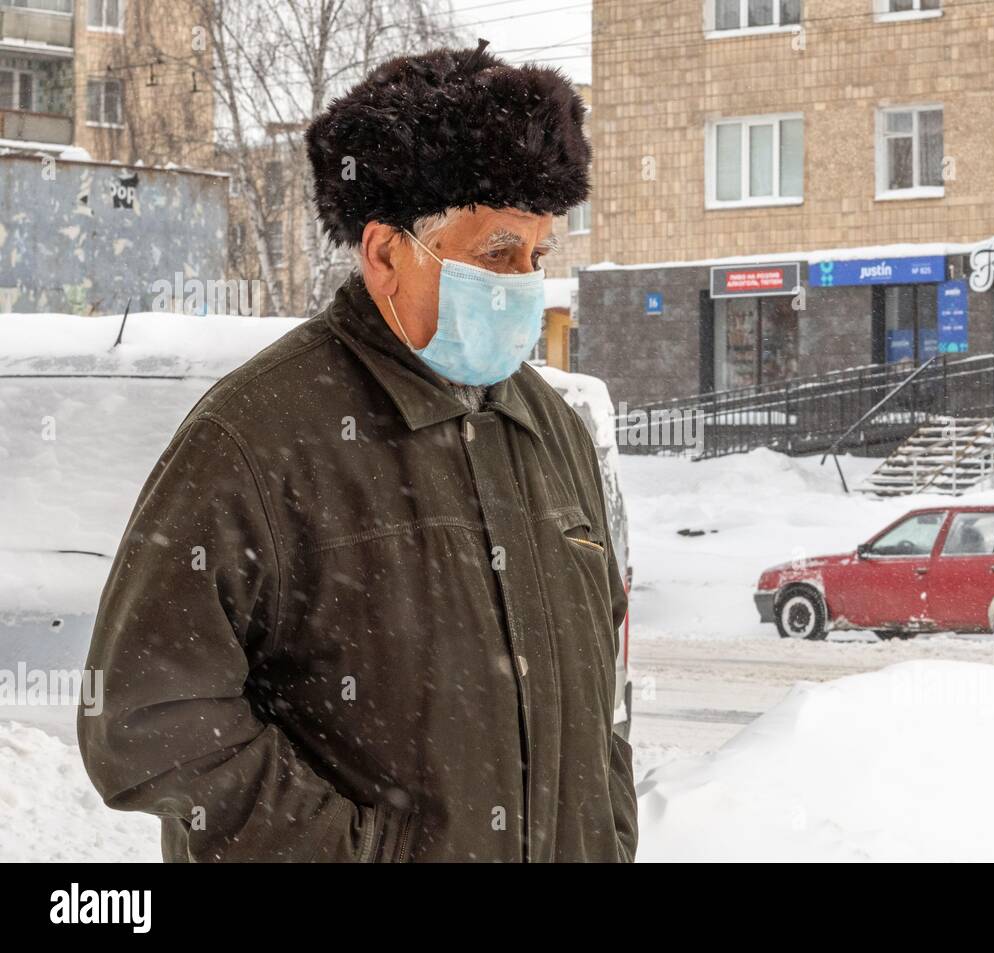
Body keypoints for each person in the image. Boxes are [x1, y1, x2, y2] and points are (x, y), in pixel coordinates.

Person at [77, 39, 637, 863]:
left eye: (539, 254)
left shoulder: (554, 428)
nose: (527, 283)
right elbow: (146, 716)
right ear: (385, 253)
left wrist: (610, 831)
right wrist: (358, 852)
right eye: (498, 252)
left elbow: (605, 698)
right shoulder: (257, 437)